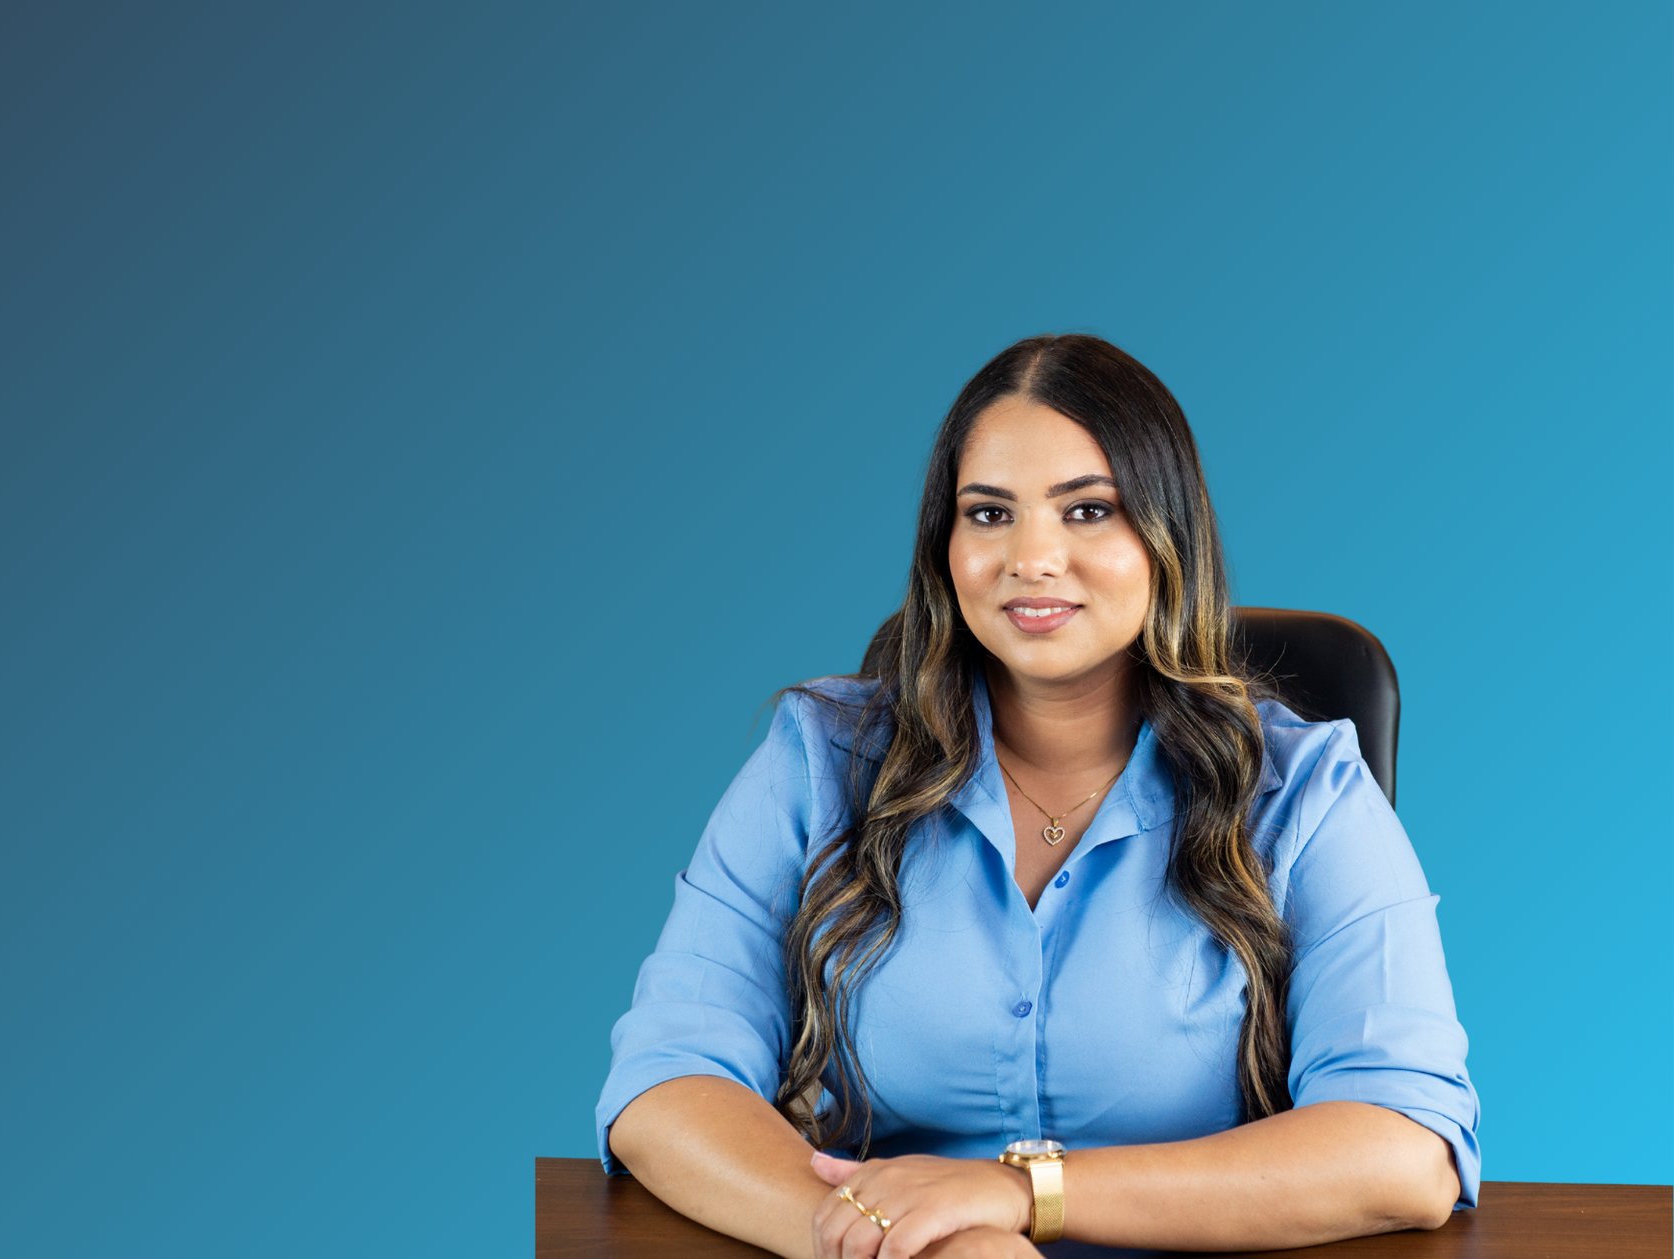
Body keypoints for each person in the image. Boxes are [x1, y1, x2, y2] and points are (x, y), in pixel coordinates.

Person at [595, 334, 1480, 1259]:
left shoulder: (1305, 793)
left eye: (1088, 510)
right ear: (944, 547)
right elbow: (666, 1082)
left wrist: (1022, 1195)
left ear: (1168, 536)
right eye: (989, 514)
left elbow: (1405, 1147)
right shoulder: (822, 759)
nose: (1032, 557)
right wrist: (916, 1245)